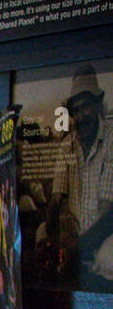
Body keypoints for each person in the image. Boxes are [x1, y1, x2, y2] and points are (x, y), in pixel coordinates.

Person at [47, 65, 113, 292]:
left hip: (104, 235)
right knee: (41, 237)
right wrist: (52, 239)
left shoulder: (111, 139)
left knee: (108, 256)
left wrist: (75, 249)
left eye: (86, 106)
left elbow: (107, 216)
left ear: (98, 104)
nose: (81, 115)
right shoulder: (69, 144)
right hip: (76, 235)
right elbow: (55, 201)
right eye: (76, 109)